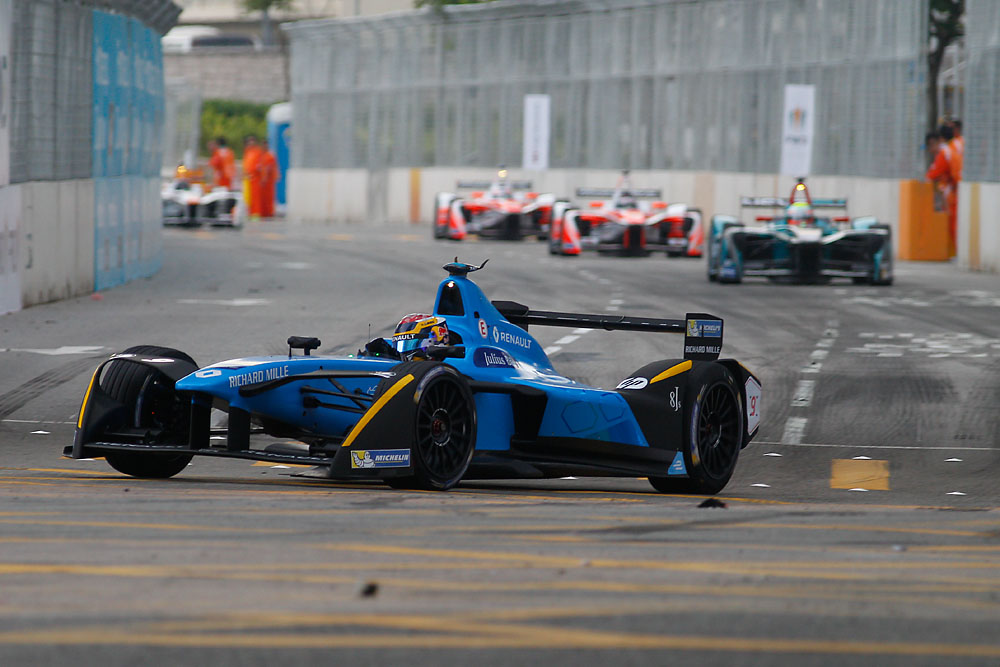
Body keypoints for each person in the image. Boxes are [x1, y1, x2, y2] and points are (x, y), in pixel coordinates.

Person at [925, 123, 956, 256]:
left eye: (930, 146)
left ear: (935, 142)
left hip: (953, 193)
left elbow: (931, 176)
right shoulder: (949, 149)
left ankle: (955, 252)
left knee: (952, 224)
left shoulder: (943, 154)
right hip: (953, 191)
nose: (930, 150)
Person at [254, 139, 280, 218]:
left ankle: (269, 212)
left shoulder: (270, 155)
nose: (265, 147)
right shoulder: (260, 156)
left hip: (269, 181)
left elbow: (272, 167)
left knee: (269, 197)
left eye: (266, 145)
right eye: (263, 145)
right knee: (262, 197)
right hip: (262, 180)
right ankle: (263, 212)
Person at [242, 135, 262, 218]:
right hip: (247, 178)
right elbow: (246, 164)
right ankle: (248, 213)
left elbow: (259, 165)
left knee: (255, 197)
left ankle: (255, 213)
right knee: (247, 197)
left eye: (252, 141)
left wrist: (254, 173)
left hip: (255, 178)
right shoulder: (247, 151)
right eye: (249, 141)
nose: (251, 143)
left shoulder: (258, 152)